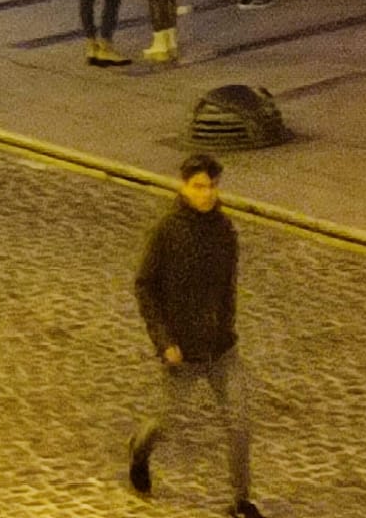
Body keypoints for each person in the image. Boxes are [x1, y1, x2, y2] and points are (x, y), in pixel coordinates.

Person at [129, 152, 263, 518]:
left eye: (212, 186)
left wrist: (226, 324)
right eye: (199, 186)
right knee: (169, 419)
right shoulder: (167, 232)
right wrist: (164, 341)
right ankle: (140, 448)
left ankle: (241, 500)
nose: (206, 194)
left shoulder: (224, 231)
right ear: (184, 186)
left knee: (239, 421)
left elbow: (228, 286)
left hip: (221, 348)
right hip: (181, 352)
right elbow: (145, 286)